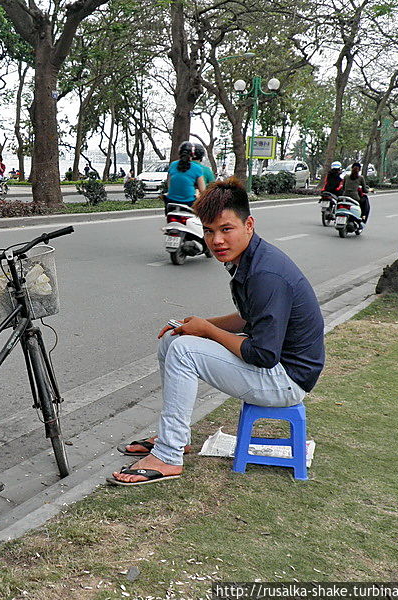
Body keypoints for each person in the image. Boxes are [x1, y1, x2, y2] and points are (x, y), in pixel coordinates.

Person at [108, 177, 324, 485]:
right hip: (277, 367)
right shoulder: (250, 258)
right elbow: (248, 319)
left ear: (249, 224)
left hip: (287, 380)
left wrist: (207, 329)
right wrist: (196, 326)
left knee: (184, 350)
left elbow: (262, 354)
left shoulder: (266, 273)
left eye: (226, 229)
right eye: (208, 231)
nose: (217, 240)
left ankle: (168, 457)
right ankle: (176, 438)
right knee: (174, 339)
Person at [165, 141, 205, 209]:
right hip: (189, 203)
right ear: (192, 154)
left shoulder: (172, 165)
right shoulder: (197, 168)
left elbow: (169, 184)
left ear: (179, 152)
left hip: (171, 202)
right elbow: (203, 190)